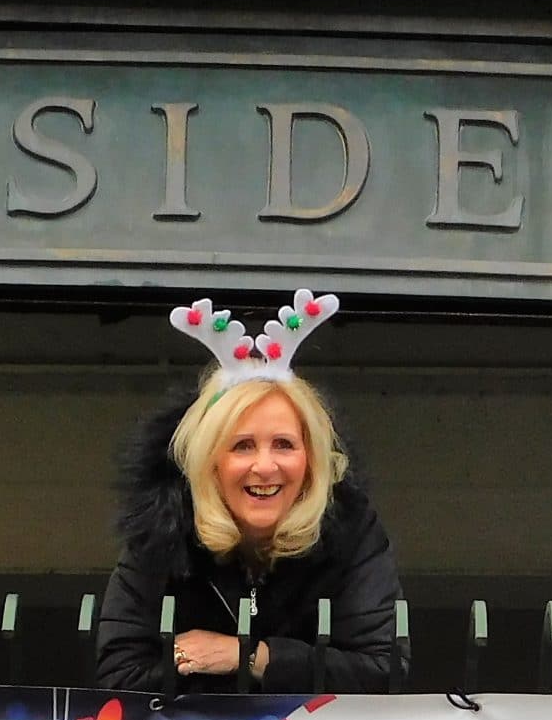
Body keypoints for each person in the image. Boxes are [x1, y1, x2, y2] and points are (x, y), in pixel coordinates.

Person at [95, 291, 401, 692]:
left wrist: (252, 657)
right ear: (210, 462)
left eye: (284, 445)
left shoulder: (352, 528)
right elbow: (119, 676)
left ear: (311, 459)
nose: (265, 466)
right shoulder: (162, 530)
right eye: (242, 446)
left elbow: (382, 671)